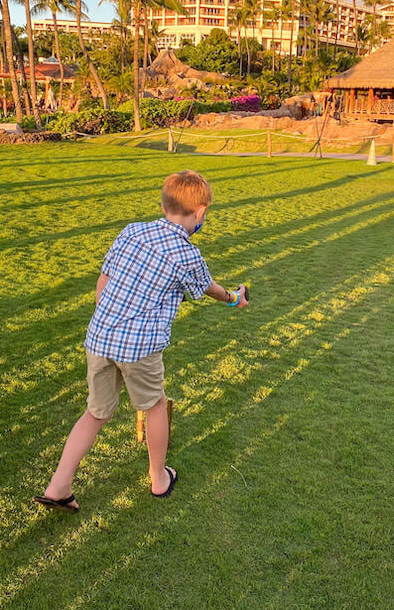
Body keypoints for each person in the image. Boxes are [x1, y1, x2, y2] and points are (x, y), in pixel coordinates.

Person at [38, 171, 249, 510]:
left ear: (164, 204)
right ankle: (159, 478)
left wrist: (112, 320)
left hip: (100, 337)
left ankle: (58, 486)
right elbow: (208, 288)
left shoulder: (132, 231)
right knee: (153, 407)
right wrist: (233, 298)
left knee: (95, 412)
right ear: (200, 213)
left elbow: (103, 281)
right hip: (140, 348)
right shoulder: (187, 254)